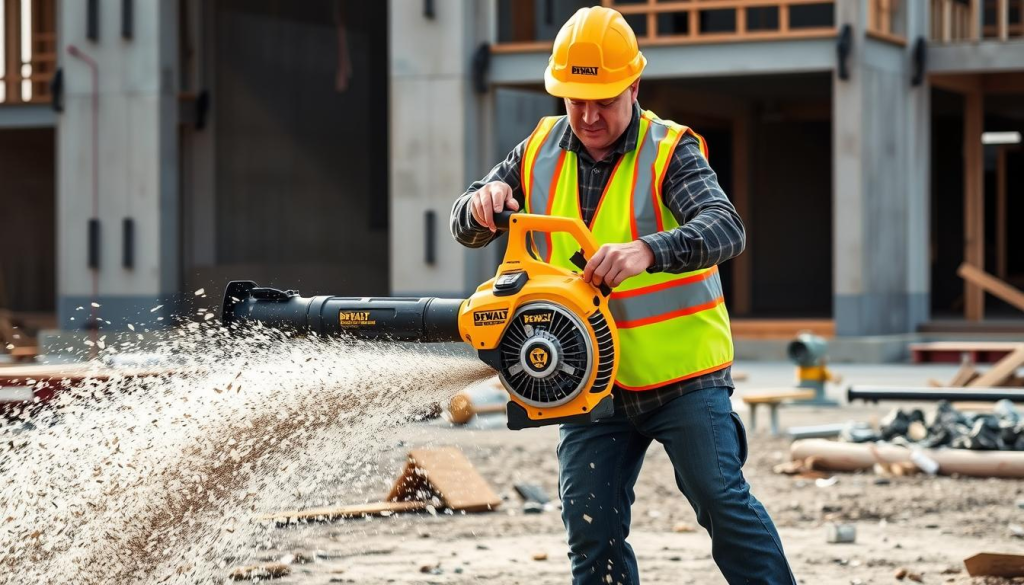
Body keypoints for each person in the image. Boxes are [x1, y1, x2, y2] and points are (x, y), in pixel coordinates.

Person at [449, 6, 796, 584]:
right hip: (588, 386)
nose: (587, 115)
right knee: (592, 532)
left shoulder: (671, 150)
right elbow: (468, 223)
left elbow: (725, 228)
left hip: (682, 378)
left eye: (603, 101)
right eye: (574, 100)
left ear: (634, 87)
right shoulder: (537, 149)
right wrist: (480, 202)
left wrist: (647, 251)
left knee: (722, 503)